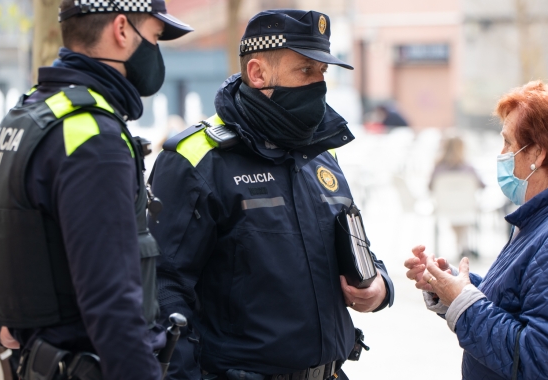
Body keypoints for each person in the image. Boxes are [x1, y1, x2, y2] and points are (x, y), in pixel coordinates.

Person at [0, 0, 192, 378]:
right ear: (121, 29)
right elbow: (112, 305)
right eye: (154, 36)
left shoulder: (30, 117)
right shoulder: (95, 138)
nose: (156, 52)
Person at [148, 9, 394, 380]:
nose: (319, 86)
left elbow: (356, 248)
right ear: (258, 73)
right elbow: (161, 287)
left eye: (322, 73)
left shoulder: (321, 155)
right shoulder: (197, 159)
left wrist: (379, 286)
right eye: (306, 71)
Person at [405, 81, 548, 379]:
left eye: (509, 143)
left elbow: (538, 359)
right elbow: (527, 299)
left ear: (538, 154)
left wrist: (464, 303)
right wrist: (452, 286)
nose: (501, 153)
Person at [428, 136, 484, 259]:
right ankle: (464, 246)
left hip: (445, 207)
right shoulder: (469, 168)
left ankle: (462, 246)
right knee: (461, 214)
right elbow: (482, 185)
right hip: (466, 206)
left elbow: (429, 187)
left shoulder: (438, 168)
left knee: (455, 213)